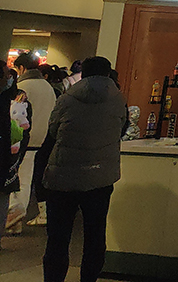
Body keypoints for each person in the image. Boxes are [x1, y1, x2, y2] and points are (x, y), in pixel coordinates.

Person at [42, 56, 126, 282]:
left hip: (63, 175)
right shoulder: (118, 100)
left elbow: (53, 130)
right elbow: (121, 128)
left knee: (58, 238)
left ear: (83, 73)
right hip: (100, 177)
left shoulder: (67, 98)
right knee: (95, 236)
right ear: (108, 73)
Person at [12, 51, 57, 230]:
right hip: (41, 139)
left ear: (22, 68)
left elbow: (15, 113)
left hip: (21, 139)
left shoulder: (23, 86)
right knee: (26, 179)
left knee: (14, 177)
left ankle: (14, 212)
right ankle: (16, 217)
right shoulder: (47, 87)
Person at [2, 63, 30, 251]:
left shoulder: (9, 100)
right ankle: (15, 219)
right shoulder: (19, 99)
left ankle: (14, 216)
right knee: (18, 184)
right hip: (15, 150)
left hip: (9, 152)